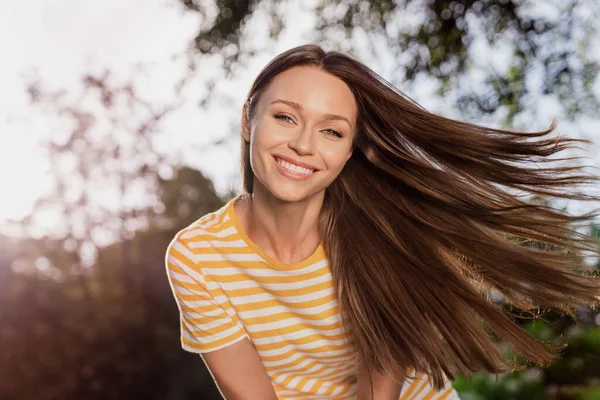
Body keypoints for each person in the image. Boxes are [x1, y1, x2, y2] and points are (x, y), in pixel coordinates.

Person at [165, 44, 600, 399]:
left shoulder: (374, 234)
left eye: (331, 131)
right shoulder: (197, 258)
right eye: (285, 117)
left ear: (349, 150)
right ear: (248, 120)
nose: (302, 145)